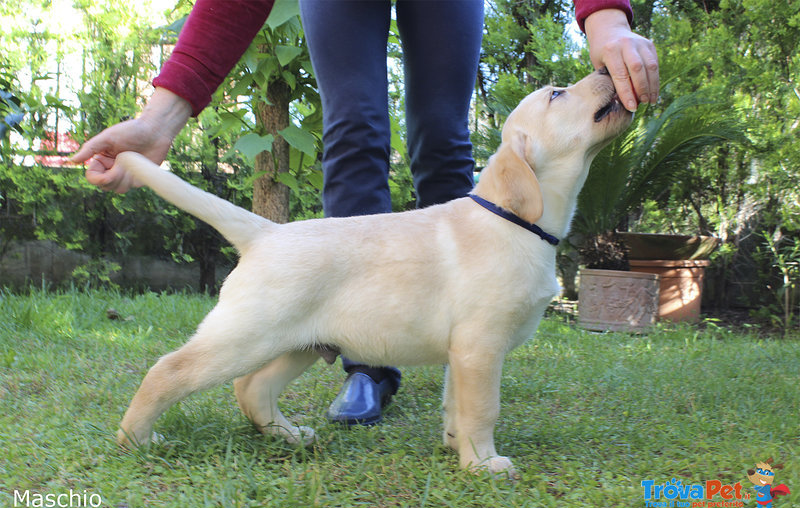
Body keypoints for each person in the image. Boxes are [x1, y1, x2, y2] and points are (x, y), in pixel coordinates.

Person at [71, 0, 658, 426]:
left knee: (442, 134)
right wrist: (158, 122)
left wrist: (606, 15)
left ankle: (446, 349)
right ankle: (365, 368)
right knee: (354, 128)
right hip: (298, 255)